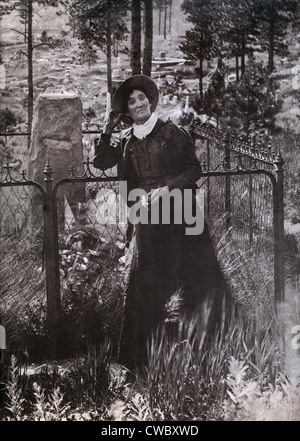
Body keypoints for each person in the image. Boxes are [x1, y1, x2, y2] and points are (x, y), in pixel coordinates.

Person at [93, 75, 228, 368]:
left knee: (198, 282)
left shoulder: (171, 132)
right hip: (147, 220)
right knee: (143, 287)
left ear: (150, 101)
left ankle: (208, 353)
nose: (139, 103)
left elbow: (194, 169)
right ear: (126, 111)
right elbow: (101, 161)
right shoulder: (127, 141)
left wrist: (166, 189)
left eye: (142, 98)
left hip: (181, 216)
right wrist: (107, 128)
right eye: (131, 101)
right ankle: (143, 361)